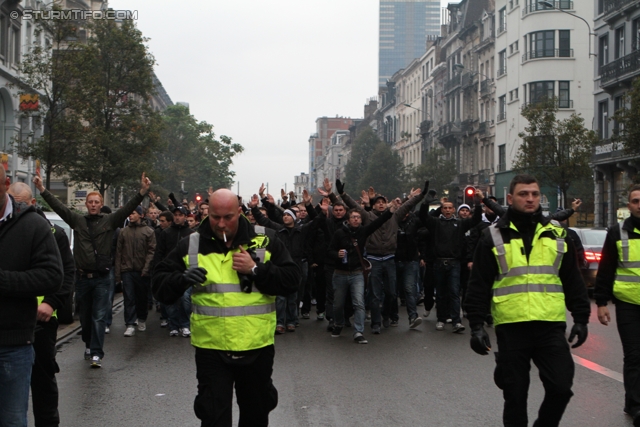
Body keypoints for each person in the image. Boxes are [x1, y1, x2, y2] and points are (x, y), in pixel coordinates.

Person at [153, 189, 300, 427]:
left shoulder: (265, 238)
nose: (221, 224)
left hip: (256, 346)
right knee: (212, 415)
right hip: (212, 347)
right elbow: (159, 286)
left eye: (228, 217)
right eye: (215, 217)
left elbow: (292, 280)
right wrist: (181, 279)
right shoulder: (191, 244)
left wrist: (256, 270)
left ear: (239, 213)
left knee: (256, 414)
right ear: (207, 213)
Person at [465, 174, 590, 427]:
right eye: (523, 194)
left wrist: (581, 318)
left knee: (561, 387)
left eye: (534, 194)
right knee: (515, 395)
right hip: (512, 327)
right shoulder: (493, 236)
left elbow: (573, 280)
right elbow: (478, 284)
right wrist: (476, 326)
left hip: (550, 325)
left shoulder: (557, 234)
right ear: (510, 198)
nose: (530, 199)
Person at [34, 170, 151, 368]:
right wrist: (41, 189)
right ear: (87, 205)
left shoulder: (110, 221)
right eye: (91, 202)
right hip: (82, 278)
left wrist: (142, 192)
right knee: (86, 319)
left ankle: (97, 353)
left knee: (98, 316)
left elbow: (127, 208)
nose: (94, 205)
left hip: (102, 278)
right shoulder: (77, 220)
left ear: (100, 203)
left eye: (97, 202)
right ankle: (88, 345)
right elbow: (59, 207)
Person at [8, 182, 76, 427]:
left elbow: (66, 273)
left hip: (41, 322)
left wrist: (51, 303)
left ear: (32, 203)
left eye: (22, 202)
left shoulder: (51, 233)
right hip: (13, 321)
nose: (17, 206)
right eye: (13, 200)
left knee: (43, 379)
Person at [0, 168, 63, 426]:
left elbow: (52, 276)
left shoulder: (33, 224)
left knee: (12, 419)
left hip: (13, 344)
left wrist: (3, 280)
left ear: (5, 184)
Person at [594, 183, 640, 426]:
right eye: (635, 201)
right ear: (629, 205)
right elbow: (606, 268)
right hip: (628, 304)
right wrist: (601, 302)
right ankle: (635, 406)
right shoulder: (618, 232)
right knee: (634, 356)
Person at [419, 190, 483, 332]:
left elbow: (475, 220)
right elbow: (423, 217)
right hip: (438, 262)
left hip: (454, 263)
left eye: (450, 208)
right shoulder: (436, 223)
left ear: (454, 210)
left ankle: (456, 321)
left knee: (454, 292)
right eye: (445, 208)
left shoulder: (460, 224)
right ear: (442, 209)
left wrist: (478, 203)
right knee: (441, 293)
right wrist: (426, 202)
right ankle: (441, 319)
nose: (447, 210)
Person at [153, 205, 194, 337]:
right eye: (175, 215)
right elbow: (159, 252)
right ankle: (173, 324)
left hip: (185, 271)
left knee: (185, 299)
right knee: (170, 300)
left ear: (185, 217)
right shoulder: (166, 233)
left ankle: (185, 324)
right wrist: (157, 268)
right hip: (169, 271)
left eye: (180, 215)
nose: (177, 217)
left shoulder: (191, 234)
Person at [115, 205, 156, 337]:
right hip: (127, 270)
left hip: (141, 270)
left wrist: (146, 268)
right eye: (129, 214)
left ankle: (142, 318)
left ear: (140, 215)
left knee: (141, 297)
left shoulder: (148, 232)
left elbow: (151, 251)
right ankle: (130, 323)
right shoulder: (123, 232)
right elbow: (119, 252)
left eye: (133, 213)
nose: (130, 216)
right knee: (129, 297)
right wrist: (118, 273)